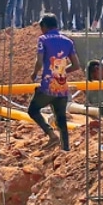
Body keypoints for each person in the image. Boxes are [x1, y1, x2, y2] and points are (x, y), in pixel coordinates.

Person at [29, 14, 81, 150]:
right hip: (62, 87)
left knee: (33, 110)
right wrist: (61, 71)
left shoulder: (43, 39)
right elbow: (76, 65)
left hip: (48, 85)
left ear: (45, 26)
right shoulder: (68, 41)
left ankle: (51, 135)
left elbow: (39, 61)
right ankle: (66, 150)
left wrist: (34, 74)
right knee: (61, 120)